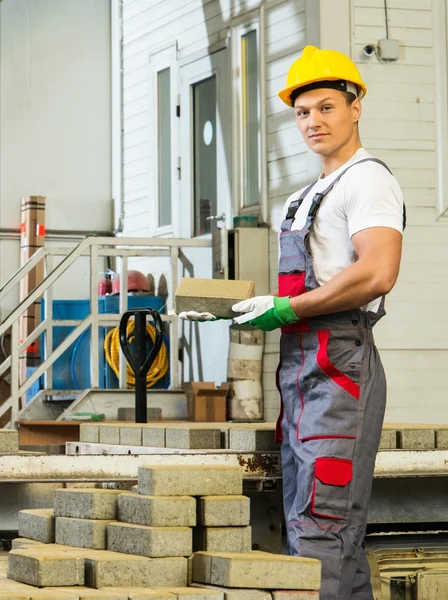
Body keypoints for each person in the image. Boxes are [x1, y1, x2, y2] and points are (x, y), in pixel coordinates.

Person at [180, 45, 404, 600]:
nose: (313, 122)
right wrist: (241, 309)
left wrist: (286, 310)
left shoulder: (367, 180)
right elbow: (310, 284)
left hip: (339, 365)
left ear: (356, 108)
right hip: (302, 372)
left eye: (326, 107)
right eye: (303, 112)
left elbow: (377, 273)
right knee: (319, 535)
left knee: (321, 532)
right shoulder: (305, 196)